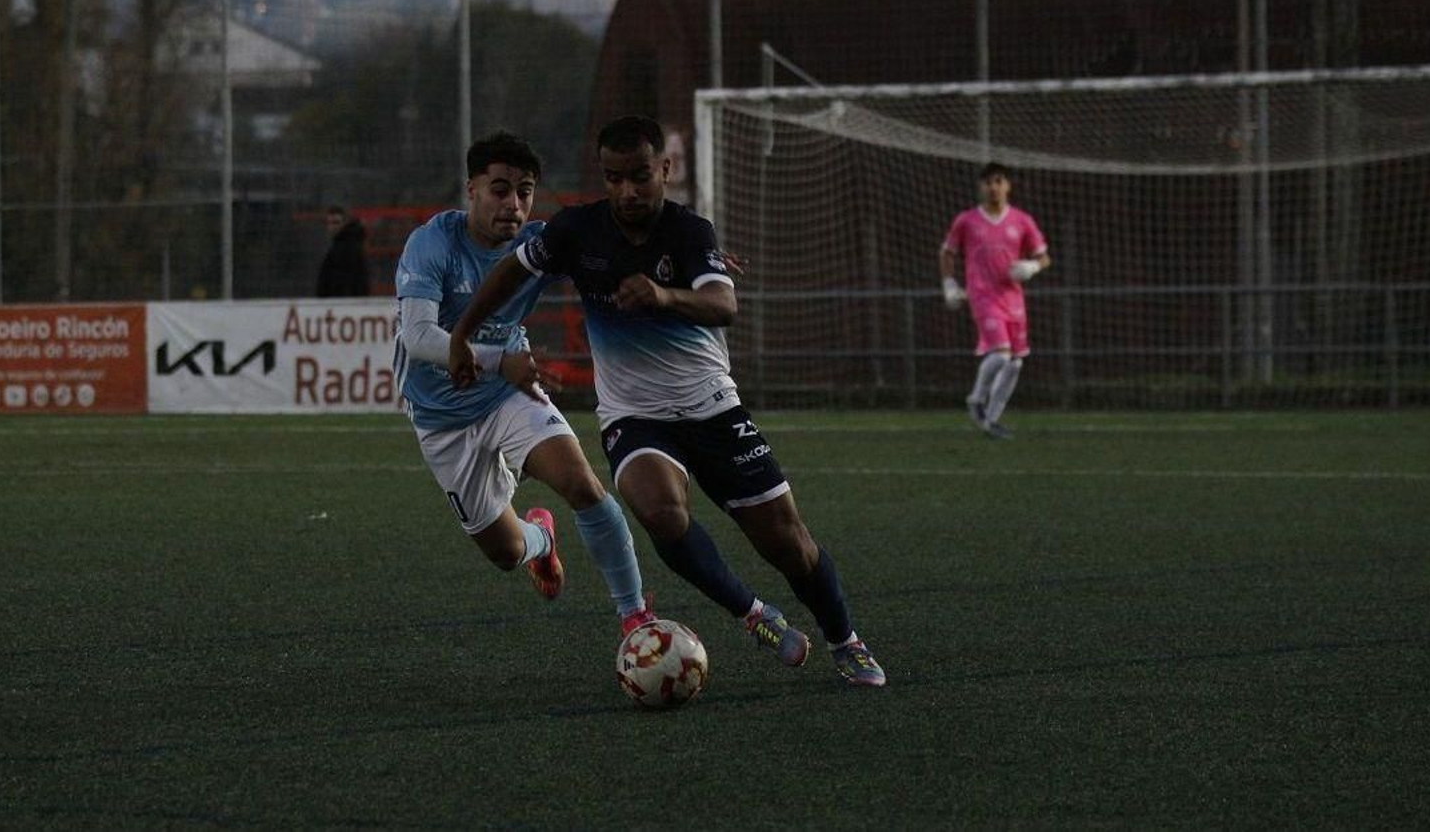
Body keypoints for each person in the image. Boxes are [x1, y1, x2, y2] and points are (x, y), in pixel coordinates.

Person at [449, 116, 886, 688]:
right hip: (635, 417)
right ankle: (754, 615)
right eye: (613, 178)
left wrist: (664, 294)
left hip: (713, 408)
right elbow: (511, 270)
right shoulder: (576, 229)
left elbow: (722, 304)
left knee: (789, 544)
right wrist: (463, 334)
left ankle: (844, 639)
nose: (627, 191)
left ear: (665, 170)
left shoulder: (689, 232)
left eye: (639, 177)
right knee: (658, 511)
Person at [394, 131, 654, 635]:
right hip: (442, 420)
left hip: (508, 395)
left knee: (584, 485)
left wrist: (693, 266)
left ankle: (636, 617)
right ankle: (541, 541)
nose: (513, 204)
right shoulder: (432, 243)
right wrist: (498, 359)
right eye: (499, 189)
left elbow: (618, 247)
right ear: (470, 189)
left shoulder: (537, 246)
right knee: (506, 552)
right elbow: (419, 337)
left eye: (525, 191)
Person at [940, 162, 1051, 439]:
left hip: (1013, 298)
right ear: (981, 187)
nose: (994, 187)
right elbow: (947, 253)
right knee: (1000, 353)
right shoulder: (966, 220)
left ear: (1008, 186)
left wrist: (1032, 267)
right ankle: (976, 399)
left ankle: (991, 420)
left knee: (1015, 363)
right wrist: (950, 284)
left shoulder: (1022, 220)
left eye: (999, 181)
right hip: (982, 296)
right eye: (988, 182)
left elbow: (1044, 256)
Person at [317, 206, 372, 297]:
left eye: (336, 223)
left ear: (344, 223)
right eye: (330, 223)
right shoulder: (339, 246)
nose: (333, 227)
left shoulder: (348, 248)